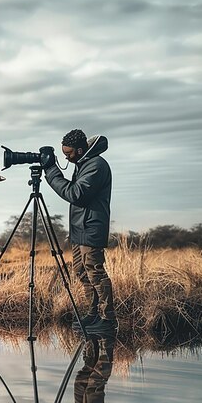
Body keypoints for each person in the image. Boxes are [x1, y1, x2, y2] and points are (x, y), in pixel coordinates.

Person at [39, 129, 116, 333]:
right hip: (79, 228)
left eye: (69, 154)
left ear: (80, 150)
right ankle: (93, 314)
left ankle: (107, 319)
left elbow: (76, 194)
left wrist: (52, 171)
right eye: (64, 154)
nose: (66, 157)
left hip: (91, 228)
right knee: (81, 272)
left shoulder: (96, 165)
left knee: (95, 272)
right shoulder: (83, 163)